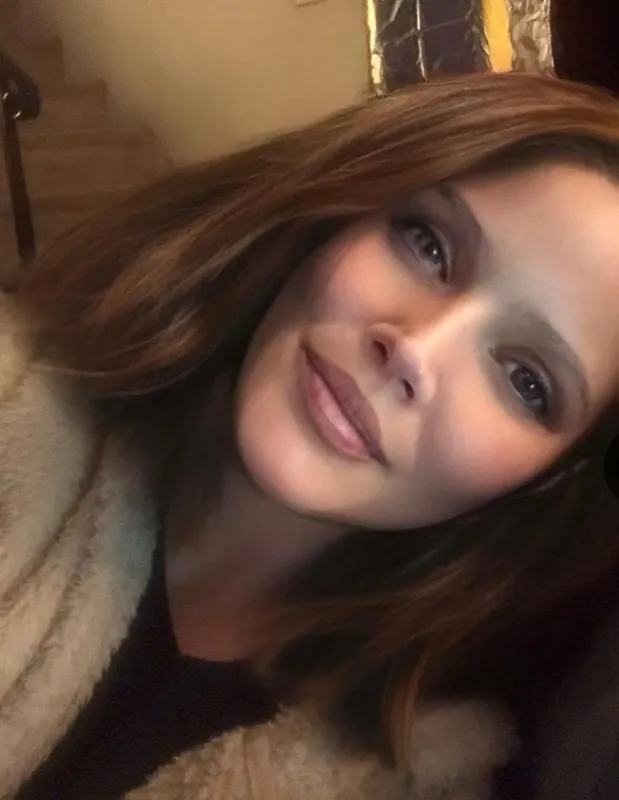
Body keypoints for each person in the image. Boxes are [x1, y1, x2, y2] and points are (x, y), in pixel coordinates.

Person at [3, 70, 619, 799]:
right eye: (427, 244)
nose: (414, 349)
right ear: (338, 210)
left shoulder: (426, 773)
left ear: (552, 476)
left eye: (526, 381)